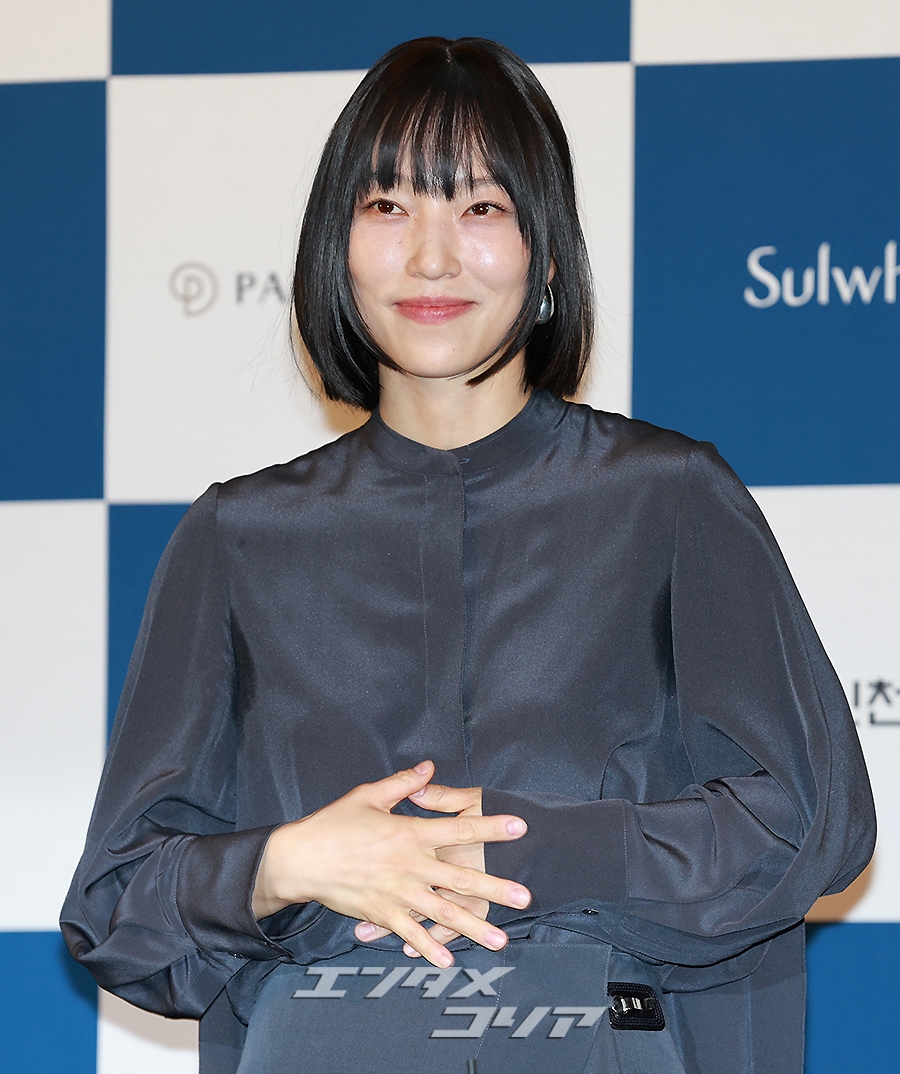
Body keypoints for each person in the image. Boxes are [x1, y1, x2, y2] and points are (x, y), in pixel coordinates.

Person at [62, 37, 875, 1074]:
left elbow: (811, 819)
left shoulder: (670, 497)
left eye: (481, 207)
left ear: (546, 249)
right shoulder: (237, 536)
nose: (432, 257)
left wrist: (538, 844)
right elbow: (114, 904)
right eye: (388, 205)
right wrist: (285, 863)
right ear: (335, 245)